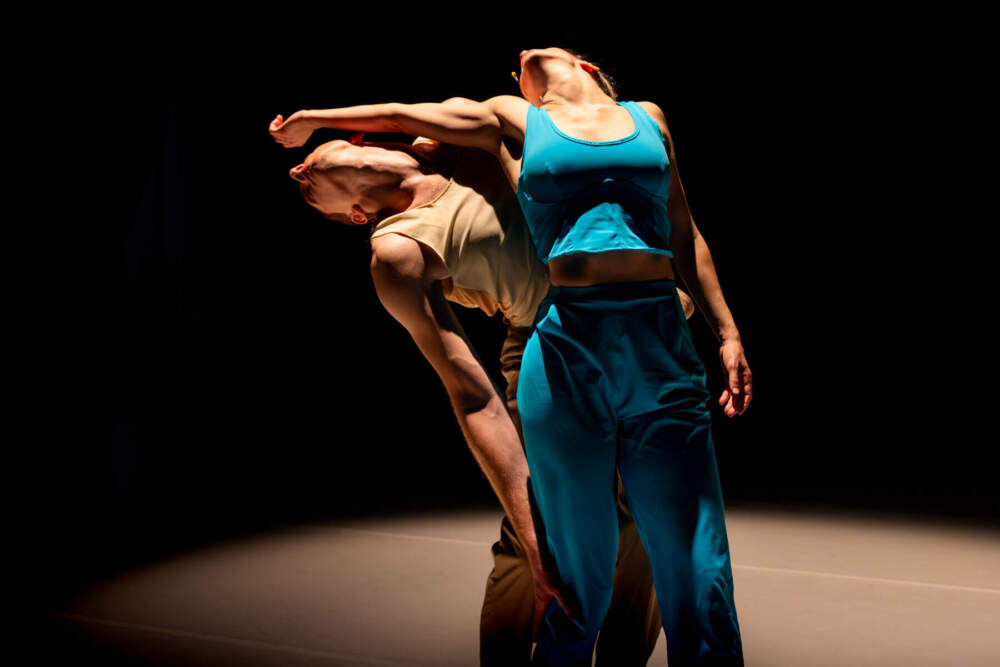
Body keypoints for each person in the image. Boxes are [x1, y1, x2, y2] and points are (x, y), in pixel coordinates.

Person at [269, 46, 752, 665]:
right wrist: (530, 535)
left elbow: (396, 114)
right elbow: (471, 397)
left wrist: (316, 119)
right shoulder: (400, 247)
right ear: (355, 215)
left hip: (650, 320)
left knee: (656, 539)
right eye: (312, 201)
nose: (295, 175)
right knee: (545, 548)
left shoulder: (454, 139)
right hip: (545, 339)